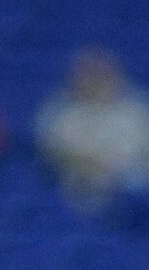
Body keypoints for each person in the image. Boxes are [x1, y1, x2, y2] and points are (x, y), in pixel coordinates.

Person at [37, 50, 149, 207]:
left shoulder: (138, 110)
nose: (94, 80)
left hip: (133, 189)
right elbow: (55, 155)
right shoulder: (59, 114)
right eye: (88, 74)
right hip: (83, 190)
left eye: (100, 73)